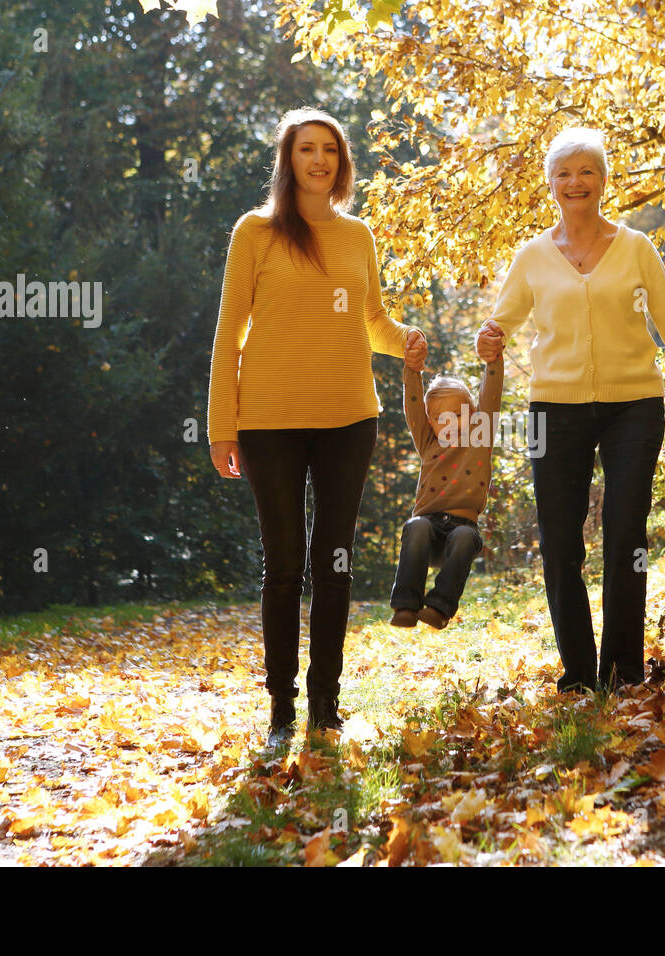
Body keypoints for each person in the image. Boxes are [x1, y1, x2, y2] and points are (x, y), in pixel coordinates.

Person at [477, 127, 665, 693]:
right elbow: (501, 324)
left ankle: (621, 671)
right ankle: (577, 673)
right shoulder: (533, 256)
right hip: (553, 409)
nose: (576, 182)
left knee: (626, 532)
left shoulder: (637, 249)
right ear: (550, 184)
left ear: (603, 181)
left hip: (634, 406)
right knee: (560, 539)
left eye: (587, 171)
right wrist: (488, 340)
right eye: (564, 173)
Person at [207, 107, 426, 746]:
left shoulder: (357, 236)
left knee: (335, 562)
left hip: (348, 419)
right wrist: (222, 427)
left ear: (341, 161)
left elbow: (370, 320)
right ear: (289, 159)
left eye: (330, 149)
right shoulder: (256, 232)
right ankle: (281, 708)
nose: (320, 160)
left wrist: (403, 340)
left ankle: (326, 704)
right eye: (307, 149)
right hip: (269, 423)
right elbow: (229, 333)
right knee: (284, 564)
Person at [389, 331, 504, 629]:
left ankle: (439, 608)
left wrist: (493, 361)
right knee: (415, 526)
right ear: (430, 422)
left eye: (459, 414)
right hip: (428, 533)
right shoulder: (428, 442)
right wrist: (412, 368)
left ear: (475, 414)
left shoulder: (480, 438)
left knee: (465, 536)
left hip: (461, 532)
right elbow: (413, 406)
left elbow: (491, 395)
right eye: (440, 417)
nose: (449, 422)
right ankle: (405, 606)